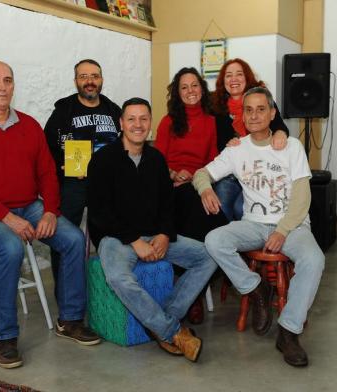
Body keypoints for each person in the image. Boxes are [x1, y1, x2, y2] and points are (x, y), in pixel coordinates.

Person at [0, 61, 101, 370]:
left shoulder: (29, 125)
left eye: (8, 81)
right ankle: (5, 337)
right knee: (11, 248)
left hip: (28, 204)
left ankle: (70, 321)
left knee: (72, 238)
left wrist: (50, 211)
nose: (2, 86)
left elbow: (47, 174)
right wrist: (5, 216)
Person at [193, 87, 324, 367]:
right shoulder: (237, 149)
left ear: (272, 113)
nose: (254, 115)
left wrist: (283, 230)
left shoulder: (291, 146)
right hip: (253, 224)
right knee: (215, 240)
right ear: (242, 115)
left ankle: (288, 332)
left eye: (261, 109)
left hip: (293, 225)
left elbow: (303, 196)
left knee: (314, 259)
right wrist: (205, 189)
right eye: (248, 110)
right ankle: (256, 289)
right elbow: (201, 173)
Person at [87, 97, 218, 362]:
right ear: (121, 123)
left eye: (143, 119)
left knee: (209, 255)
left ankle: (161, 318)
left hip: (154, 234)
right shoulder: (102, 160)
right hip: (117, 238)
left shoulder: (157, 159)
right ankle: (171, 331)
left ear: (150, 124)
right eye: (131, 119)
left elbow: (167, 205)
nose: (138, 124)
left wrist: (163, 234)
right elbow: (100, 212)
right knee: (118, 277)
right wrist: (134, 241)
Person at [154, 67, 227, 324]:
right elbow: (157, 160)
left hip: (196, 182)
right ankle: (194, 293)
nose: (190, 91)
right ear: (177, 92)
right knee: (194, 209)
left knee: (218, 221)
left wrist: (195, 176)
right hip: (171, 184)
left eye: (194, 85)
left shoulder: (210, 121)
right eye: (184, 87)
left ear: (201, 88)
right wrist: (174, 174)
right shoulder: (168, 121)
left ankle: (192, 285)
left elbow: (212, 160)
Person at [44, 59, 121, 295]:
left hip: (106, 185)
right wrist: (65, 168)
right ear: (76, 80)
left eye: (95, 76)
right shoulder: (63, 111)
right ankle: (65, 290)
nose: (90, 81)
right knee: (65, 233)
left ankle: (109, 288)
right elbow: (46, 147)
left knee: (115, 231)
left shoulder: (113, 110)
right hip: (73, 182)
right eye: (84, 76)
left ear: (101, 80)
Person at [211, 58, 289, 221]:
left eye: (239, 74)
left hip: (258, 170)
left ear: (247, 78)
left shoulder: (260, 98)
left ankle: (250, 242)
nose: (234, 79)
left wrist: (280, 133)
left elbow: (280, 126)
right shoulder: (218, 107)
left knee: (241, 209)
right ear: (223, 81)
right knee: (220, 206)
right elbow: (218, 142)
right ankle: (227, 243)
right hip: (232, 172)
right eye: (228, 75)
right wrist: (228, 144)